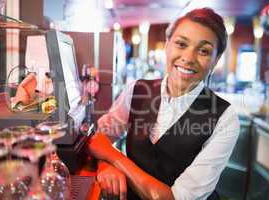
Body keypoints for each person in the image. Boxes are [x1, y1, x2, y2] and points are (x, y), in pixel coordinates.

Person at [88, 7, 240, 200]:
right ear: (167, 45)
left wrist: (114, 157)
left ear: (216, 60)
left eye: (203, 50)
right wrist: (105, 165)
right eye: (181, 44)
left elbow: (176, 198)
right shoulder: (137, 90)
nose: (188, 58)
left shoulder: (225, 118)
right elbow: (100, 139)